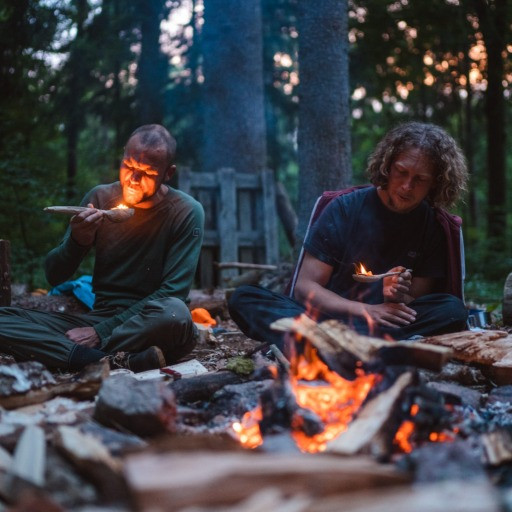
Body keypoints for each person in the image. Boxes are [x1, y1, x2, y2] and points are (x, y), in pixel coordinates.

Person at [228, 121, 469, 355]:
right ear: (387, 166)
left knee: (452, 309)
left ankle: (332, 348)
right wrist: (366, 310)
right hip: (327, 319)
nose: (407, 186)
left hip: (382, 326)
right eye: (401, 172)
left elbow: (413, 302)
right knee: (245, 297)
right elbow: (305, 288)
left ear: (435, 183)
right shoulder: (345, 208)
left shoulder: (433, 226)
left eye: (420, 179)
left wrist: (394, 295)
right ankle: (355, 347)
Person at [0, 124, 204, 372]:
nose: (134, 180)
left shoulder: (185, 212)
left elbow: (173, 292)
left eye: (147, 173)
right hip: (101, 316)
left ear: (168, 173)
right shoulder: (99, 199)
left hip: (151, 322)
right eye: (128, 166)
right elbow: (54, 276)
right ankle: (103, 361)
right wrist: (78, 241)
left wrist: (99, 333)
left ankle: (74, 355)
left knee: (176, 312)